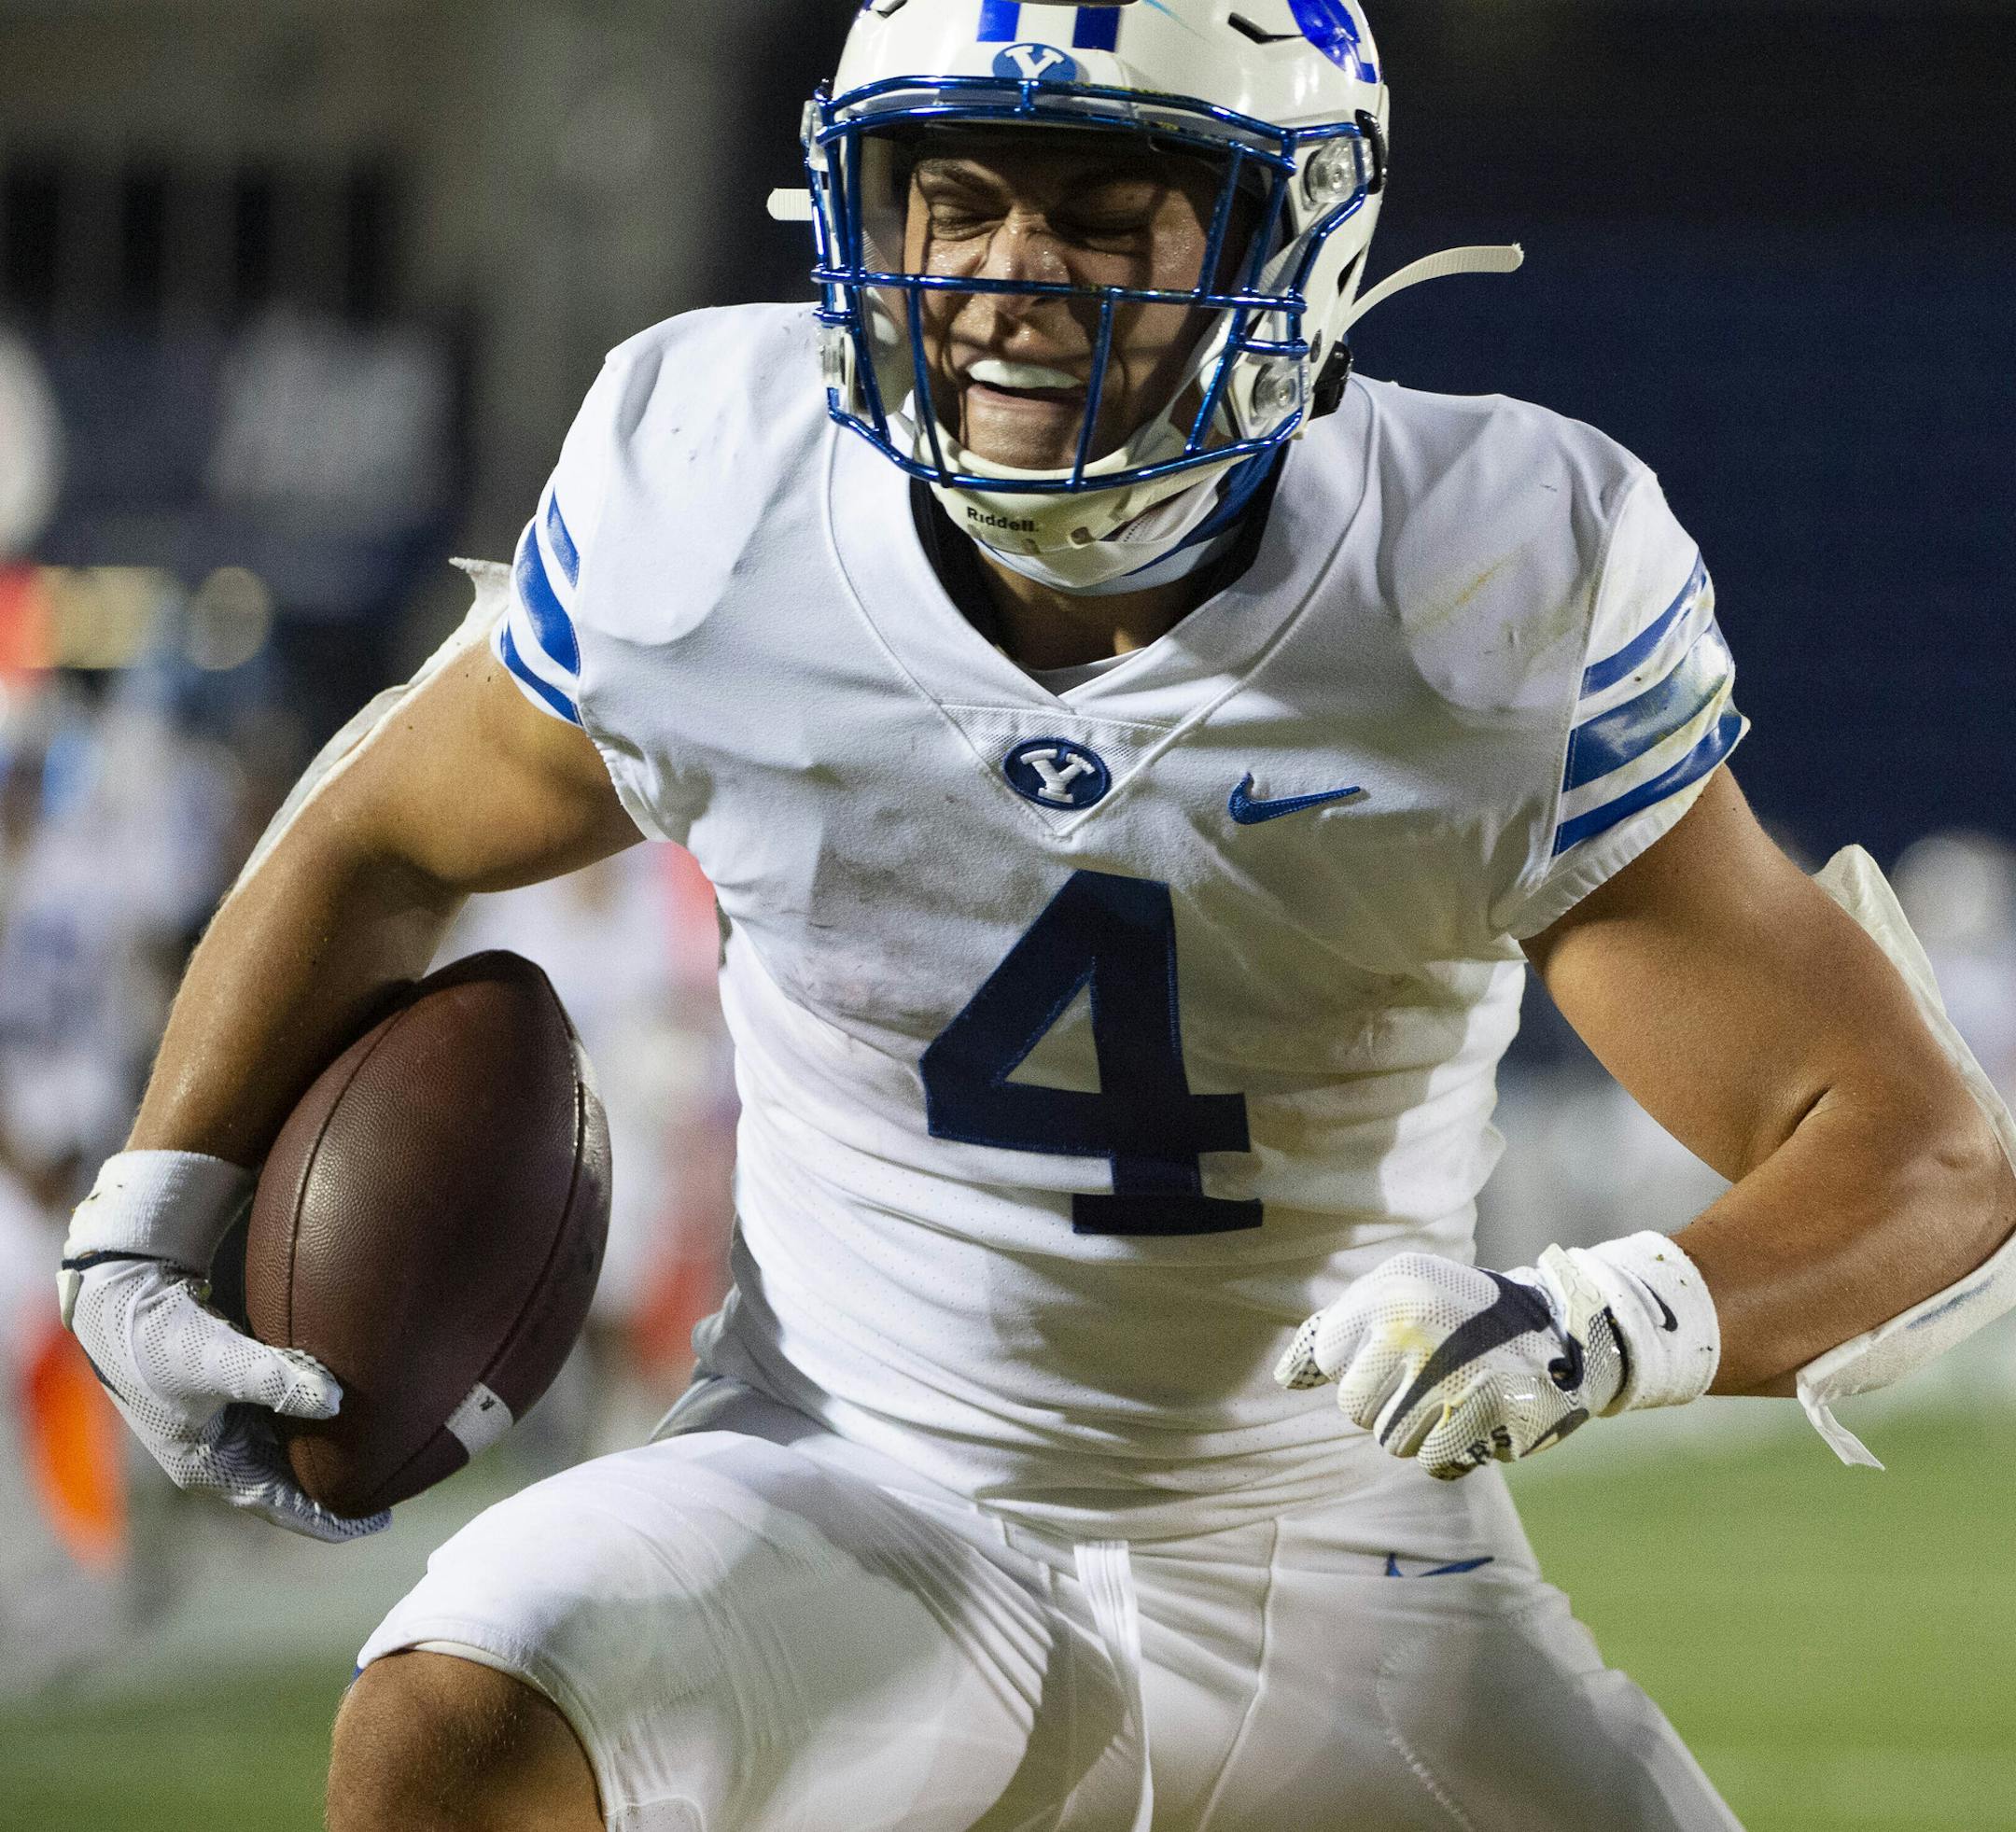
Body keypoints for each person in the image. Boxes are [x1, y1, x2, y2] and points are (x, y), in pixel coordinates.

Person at [59, 5, 2016, 1828]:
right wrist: (151, 1208)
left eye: (1103, 214)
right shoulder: (719, 504)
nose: (1004, 276)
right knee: (449, 1713)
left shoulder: (1477, 586)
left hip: (1343, 1541)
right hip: (845, 1479)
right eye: (956, 200)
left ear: (1291, 247)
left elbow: (1918, 1148)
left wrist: (1597, 1328)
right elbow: (380, 827)